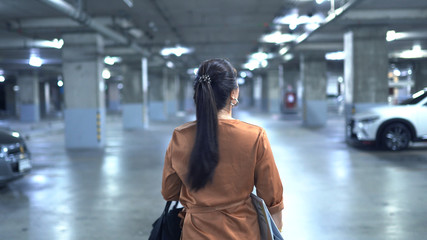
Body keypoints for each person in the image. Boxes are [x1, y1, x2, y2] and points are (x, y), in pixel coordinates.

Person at [161, 58, 283, 239]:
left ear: (198, 94)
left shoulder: (181, 136)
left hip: (195, 233)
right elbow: (272, 197)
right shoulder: (254, 136)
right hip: (243, 232)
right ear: (234, 93)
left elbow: (169, 191)